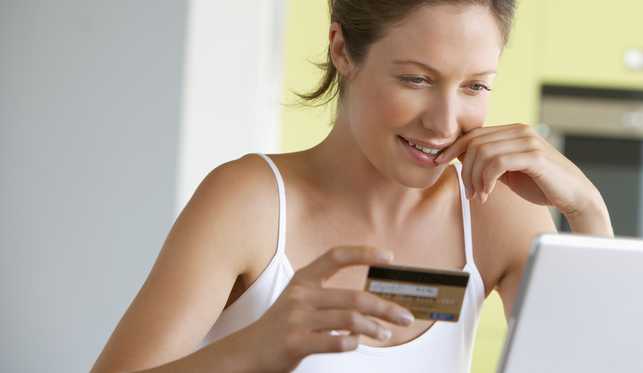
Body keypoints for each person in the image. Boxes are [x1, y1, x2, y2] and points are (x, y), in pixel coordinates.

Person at [91, 1, 613, 372]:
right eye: (416, 79)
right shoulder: (250, 202)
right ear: (343, 50)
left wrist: (587, 209)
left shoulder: (494, 208)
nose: (445, 121)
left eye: (475, 85)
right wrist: (255, 349)